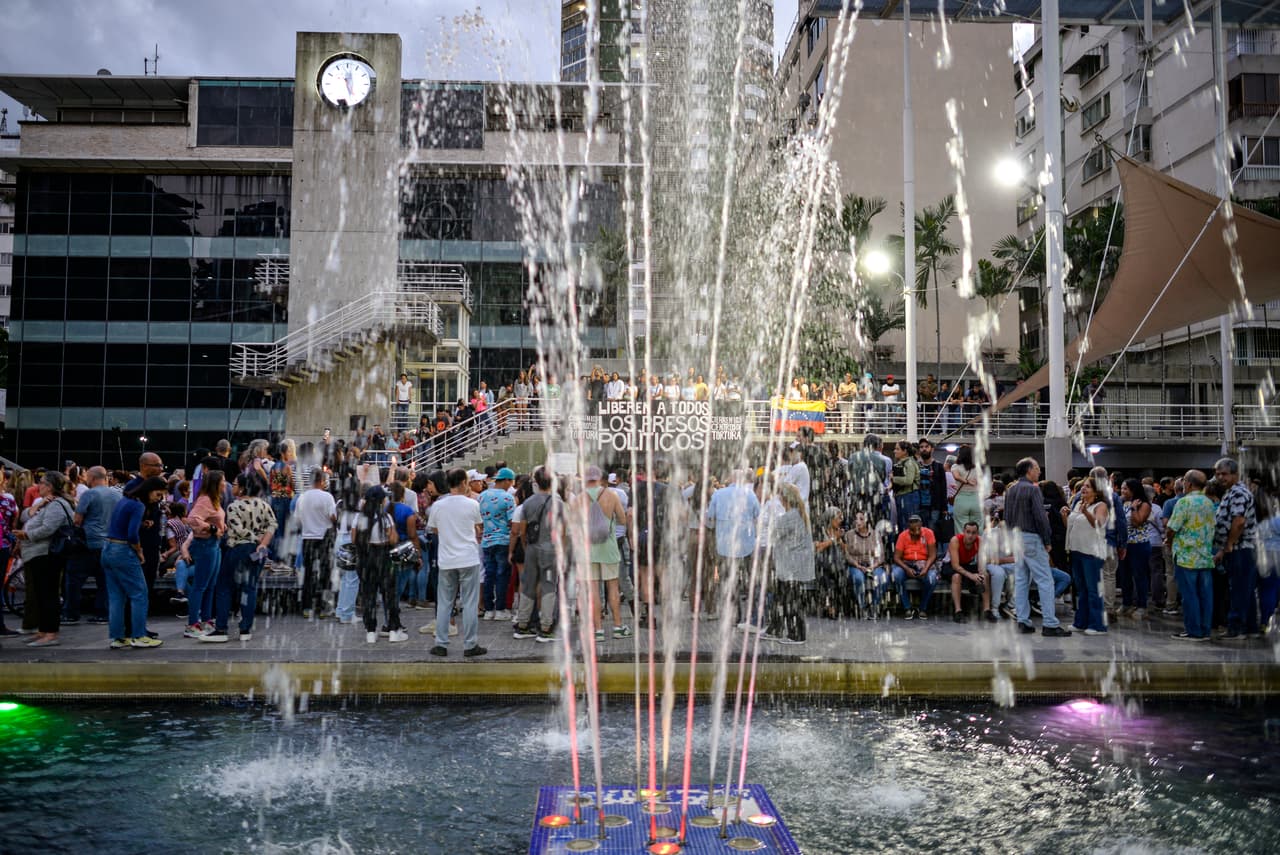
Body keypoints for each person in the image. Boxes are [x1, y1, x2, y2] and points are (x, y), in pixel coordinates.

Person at [201, 474, 276, 644]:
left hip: (239, 549)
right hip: (258, 552)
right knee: (249, 588)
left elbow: (238, 529)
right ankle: (245, 629)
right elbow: (273, 525)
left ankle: (221, 628)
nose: (231, 487)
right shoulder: (264, 504)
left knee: (224, 587)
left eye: (234, 484)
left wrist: (255, 539)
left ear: (242, 488)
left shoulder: (234, 506)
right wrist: (262, 543)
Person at [99, 475, 168, 649]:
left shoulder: (125, 500)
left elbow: (120, 524)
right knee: (139, 594)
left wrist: (141, 523)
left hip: (107, 548)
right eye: (158, 494)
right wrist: (140, 551)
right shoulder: (139, 505)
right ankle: (138, 635)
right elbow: (131, 535)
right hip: (123, 551)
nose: (159, 499)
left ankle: (118, 637)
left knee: (116, 596)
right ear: (149, 490)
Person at [1006, 457, 1070, 636]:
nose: (1039, 471)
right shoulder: (1033, 490)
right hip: (1032, 538)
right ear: (1028, 470)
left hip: (1016, 537)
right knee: (1045, 580)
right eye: (1036, 468)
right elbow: (1041, 518)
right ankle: (1049, 623)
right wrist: (1047, 540)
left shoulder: (1011, 490)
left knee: (1021, 580)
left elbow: (1008, 518)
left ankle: (1022, 621)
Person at [14, 472, 77, 647]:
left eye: (41, 483)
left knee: (48, 594)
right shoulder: (47, 504)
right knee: (41, 594)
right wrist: (40, 504)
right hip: (37, 554)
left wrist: (26, 535)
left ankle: (50, 633)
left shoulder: (57, 505)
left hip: (46, 555)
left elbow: (48, 529)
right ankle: (43, 630)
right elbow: (26, 515)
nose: (37, 486)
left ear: (49, 486)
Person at [427, 468, 486, 657]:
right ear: (463, 483)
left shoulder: (438, 506)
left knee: (445, 602)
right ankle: (470, 644)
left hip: (446, 559)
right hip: (468, 557)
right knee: (469, 602)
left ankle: (441, 643)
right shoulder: (472, 504)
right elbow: (478, 527)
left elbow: (433, 529)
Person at [512, 466, 564, 642]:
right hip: (550, 550)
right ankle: (546, 627)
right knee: (549, 586)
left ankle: (523, 625)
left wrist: (527, 547)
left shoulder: (528, 502)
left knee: (528, 586)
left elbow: (522, 531)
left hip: (532, 549)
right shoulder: (558, 504)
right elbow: (562, 531)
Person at [580, 464, 631, 642]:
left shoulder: (580, 498)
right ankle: (618, 627)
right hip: (609, 547)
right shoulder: (612, 495)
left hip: (588, 549)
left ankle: (598, 630)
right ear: (601, 479)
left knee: (593, 589)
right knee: (613, 587)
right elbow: (623, 520)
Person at [351, 485, 407, 644]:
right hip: (383, 557)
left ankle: (370, 631)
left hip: (365, 559)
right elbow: (393, 539)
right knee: (389, 594)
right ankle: (394, 630)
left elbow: (354, 539)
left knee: (368, 594)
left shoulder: (359, 517)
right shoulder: (385, 518)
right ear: (381, 500)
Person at [64, 465, 119, 625]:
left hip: (88, 542)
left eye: (87, 477)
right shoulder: (117, 495)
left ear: (93, 478)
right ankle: (103, 613)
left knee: (74, 578)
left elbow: (77, 519)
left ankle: (71, 613)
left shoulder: (89, 494)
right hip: (108, 543)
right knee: (104, 581)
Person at [1166, 469, 1216, 641]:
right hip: (1205, 556)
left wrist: (1168, 540)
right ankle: (1205, 630)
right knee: (1205, 595)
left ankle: (1193, 631)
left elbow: (1172, 527)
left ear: (1187, 484)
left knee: (1190, 596)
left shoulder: (1184, 502)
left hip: (1186, 556)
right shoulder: (1209, 502)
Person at [1212, 457, 1259, 640]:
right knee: (1244, 588)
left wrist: (1229, 544)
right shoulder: (1232, 492)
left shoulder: (1238, 492)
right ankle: (1250, 628)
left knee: (1239, 588)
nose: (1220, 478)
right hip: (1238, 548)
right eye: (1217, 474)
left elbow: (1238, 522)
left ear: (1235, 474)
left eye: (1224, 474)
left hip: (1242, 548)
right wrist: (1223, 550)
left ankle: (1236, 628)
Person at [766, 483, 814, 644]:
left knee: (790, 600)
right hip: (795, 566)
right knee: (784, 598)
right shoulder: (800, 513)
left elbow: (773, 534)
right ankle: (776, 628)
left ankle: (796, 634)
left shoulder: (789, 517)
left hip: (791, 567)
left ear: (784, 498)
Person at [184, 469, 226, 638]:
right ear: (216, 483)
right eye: (223, 481)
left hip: (214, 545)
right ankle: (192, 624)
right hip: (205, 545)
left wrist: (221, 527)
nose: (225, 484)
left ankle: (206, 620)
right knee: (200, 585)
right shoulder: (205, 500)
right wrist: (212, 528)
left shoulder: (214, 500)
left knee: (210, 585)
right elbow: (193, 518)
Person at [1064, 475, 1109, 636]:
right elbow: (1073, 526)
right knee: (1081, 589)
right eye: (1083, 486)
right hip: (1076, 550)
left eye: (1088, 487)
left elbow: (1098, 525)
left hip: (1091, 552)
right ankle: (1081, 622)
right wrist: (1065, 517)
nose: (1083, 488)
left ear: (1096, 491)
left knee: (1093, 590)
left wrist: (1086, 513)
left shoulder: (1101, 505)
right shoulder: (1078, 504)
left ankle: (1098, 625)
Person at [296, 468, 337, 618]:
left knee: (308, 573)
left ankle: (307, 607)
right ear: (321, 481)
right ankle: (323, 606)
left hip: (307, 537)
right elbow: (333, 517)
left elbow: (298, 519)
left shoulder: (302, 498)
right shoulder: (327, 497)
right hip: (324, 537)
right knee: (325, 572)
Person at [479, 467, 517, 621]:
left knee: (489, 574)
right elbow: (511, 521)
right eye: (511, 481)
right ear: (507, 480)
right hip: (503, 540)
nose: (511, 484)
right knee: (502, 576)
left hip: (487, 540)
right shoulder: (508, 498)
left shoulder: (482, 496)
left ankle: (488, 609)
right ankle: (500, 609)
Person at [945, 520, 1000, 623]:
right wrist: (971, 576)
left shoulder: (980, 541)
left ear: (977, 533)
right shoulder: (955, 540)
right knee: (957, 576)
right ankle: (958, 611)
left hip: (966, 565)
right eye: (968, 532)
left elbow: (981, 562)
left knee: (985, 575)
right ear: (963, 532)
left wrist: (980, 573)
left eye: (973, 533)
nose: (970, 535)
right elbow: (955, 566)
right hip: (951, 565)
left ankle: (987, 610)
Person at [1118, 478, 1154, 619]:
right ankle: (1126, 603)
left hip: (1139, 544)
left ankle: (1141, 605)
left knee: (1139, 576)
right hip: (1124, 544)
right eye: (1121, 488)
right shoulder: (1122, 503)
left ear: (1134, 490)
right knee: (1124, 575)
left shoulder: (1144, 504)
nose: (1122, 491)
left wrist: (1133, 508)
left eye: (1125, 489)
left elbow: (1137, 522)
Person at [892, 513, 939, 620]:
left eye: (918, 530)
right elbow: (896, 558)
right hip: (906, 563)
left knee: (932, 578)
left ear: (921, 525)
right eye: (913, 531)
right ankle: (907, 607)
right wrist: (907, 568)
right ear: (909, 528)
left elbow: (933, 555)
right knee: (896, 575)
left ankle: (923, 608)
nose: (916, 533)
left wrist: (926, 568)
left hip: (924, 563)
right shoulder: (903, 536)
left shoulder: (928, 533)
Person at [843, 510, 889, 616]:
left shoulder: (875, 534)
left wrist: (873, 566)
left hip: (873, 565)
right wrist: (857, 565)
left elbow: (881, 555)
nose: (858, 522)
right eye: (856, 519)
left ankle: (875, 606)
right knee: (858, 579)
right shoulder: (849, 534)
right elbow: (847, 554)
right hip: (856, 565)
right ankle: (862, 606)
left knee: (882, 579)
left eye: (861, 519)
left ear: (867, 520)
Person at [950, 445, 982, 529]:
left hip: (961, 499)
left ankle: (962, 542)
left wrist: (966, 481)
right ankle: (977, 542)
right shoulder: (976, 468)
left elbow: (956, 476)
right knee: (977, 526)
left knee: (961, 527)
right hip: (976, 499)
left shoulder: (955, 466)